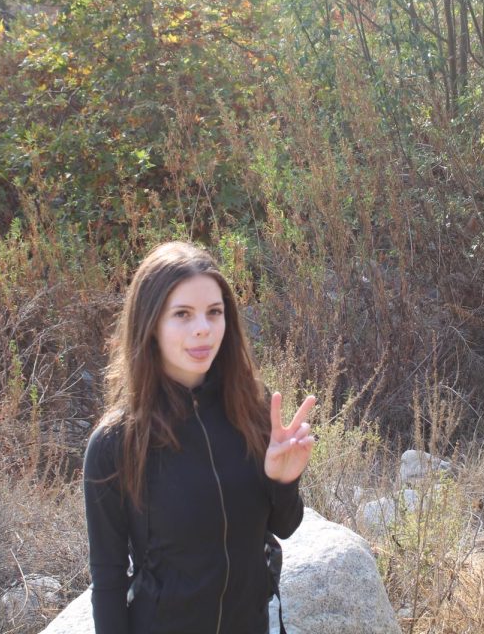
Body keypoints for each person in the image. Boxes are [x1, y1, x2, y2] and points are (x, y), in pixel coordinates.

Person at [84, 241, 316, 634]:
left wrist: (283, 481)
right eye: (182, 314)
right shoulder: (117, 443)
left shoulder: (250, 410)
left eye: (214, 312)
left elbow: (285, 525)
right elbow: (107, 581)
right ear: (151, 324)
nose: (203, 329)